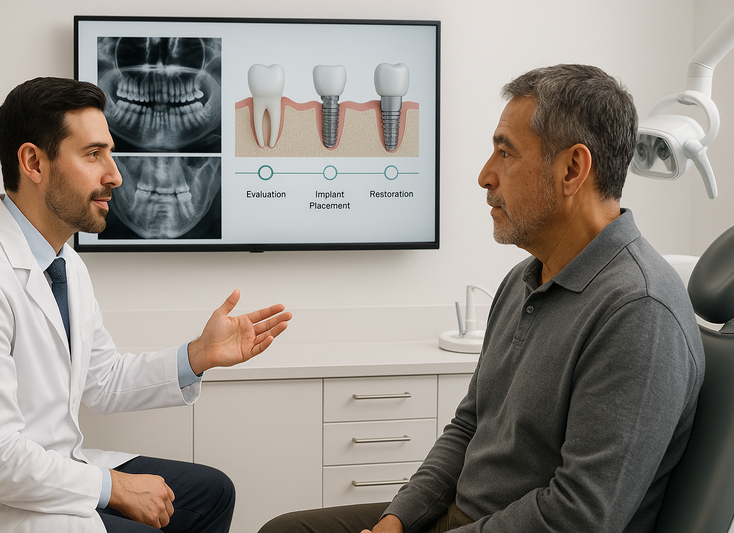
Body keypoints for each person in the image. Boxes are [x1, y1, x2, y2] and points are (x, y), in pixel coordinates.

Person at [258, 64, 705, 532]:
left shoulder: (639, 312)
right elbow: (469, 427)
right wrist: (398, 519)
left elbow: (579, 517)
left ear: (572, 168)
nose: (484, 176)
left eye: (505, 153)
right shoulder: (521, 281)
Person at [0, 77, 292, 533]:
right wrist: (114, 488)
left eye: (110, 152)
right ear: (33, 162)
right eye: (93, 154)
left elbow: (102, 380)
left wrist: (196, 357)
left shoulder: (64, 262)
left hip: (57, 471)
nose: (115, 175)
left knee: (213, 492)